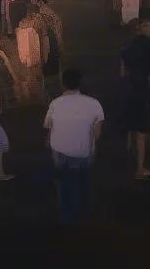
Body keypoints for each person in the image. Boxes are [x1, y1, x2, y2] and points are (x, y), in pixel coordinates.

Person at [43, 68, 104, 224]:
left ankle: (66, 213)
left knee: (63, 182)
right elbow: (96, 134)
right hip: (84, 152)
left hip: (61, 152)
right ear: (79, 84)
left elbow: (49, 128)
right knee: (85, 178)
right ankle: (85, 209)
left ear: (63, 85)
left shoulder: (55, 103)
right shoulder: (94, 104)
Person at [121, 20, 150, 179]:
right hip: (142, 87)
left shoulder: (129, 46)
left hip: (129, 86)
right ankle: (140, 168)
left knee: (131, 121)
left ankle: (128, 146)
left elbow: (122, 68)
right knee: (142, 129)